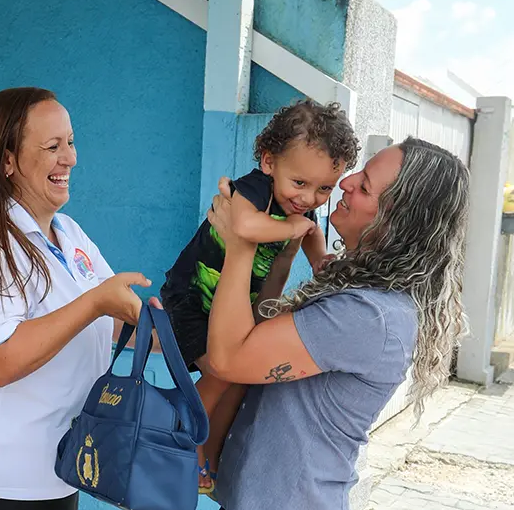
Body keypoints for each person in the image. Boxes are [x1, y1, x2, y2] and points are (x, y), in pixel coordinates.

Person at [197, 137, 469, 510]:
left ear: (396, 220)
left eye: (366, 186)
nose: (346, 183)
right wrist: (281, 260)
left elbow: (229, 359)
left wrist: (241, 243)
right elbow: (255, 335)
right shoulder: (361, 291)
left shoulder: (368, 315)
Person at [0, 87, 151, 510]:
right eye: (52, 147)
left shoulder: (69, 234)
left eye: (71, 142)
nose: (70, 158)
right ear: (7, 161)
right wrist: (95, 302)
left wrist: (160, 326)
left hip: (54, 471)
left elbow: (111, 318)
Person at [158, 99, 359, 493]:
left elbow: (312, 238)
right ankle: (182, 431)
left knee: (242, 379)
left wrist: (321, 261)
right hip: (192, 299)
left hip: (237, 307)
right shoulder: (254, 189)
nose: (309, 199)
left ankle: (210, 454)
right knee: (221, 374)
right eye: (299, 183)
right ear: (269, 162)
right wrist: (291, 229)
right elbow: (245, 226)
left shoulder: (298, 208)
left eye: (324, 189)